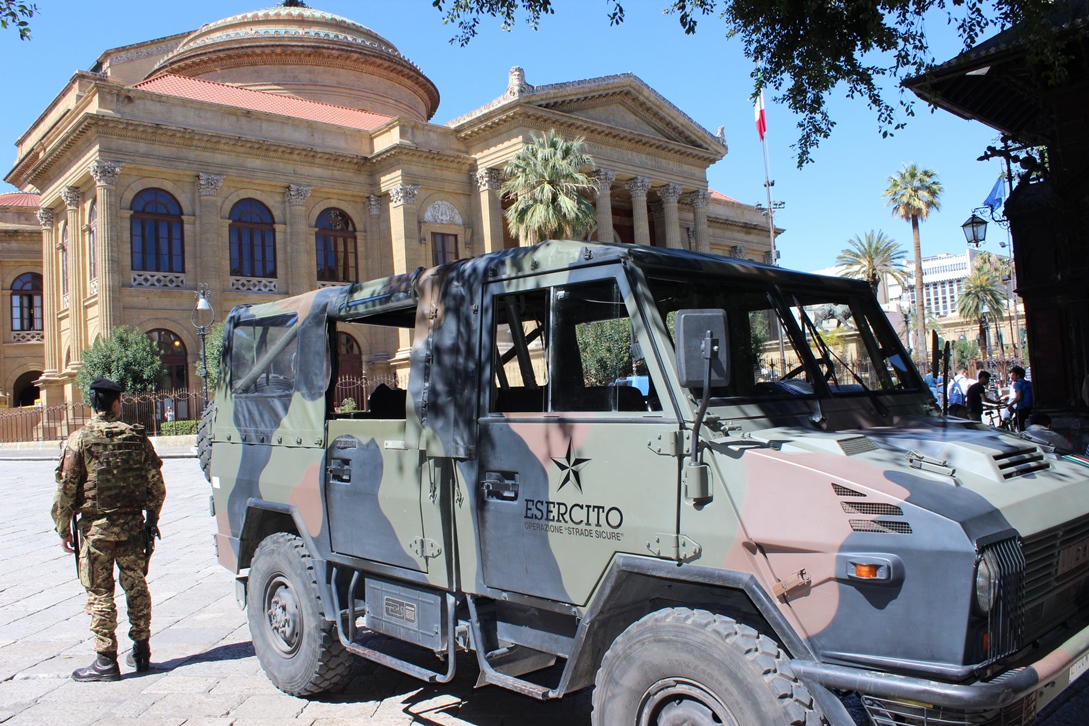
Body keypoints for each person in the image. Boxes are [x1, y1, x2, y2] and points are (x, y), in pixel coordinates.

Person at [51, 378, 166, 682]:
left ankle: (105, 661)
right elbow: (157, 487)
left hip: (96, 531)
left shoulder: (79, 439)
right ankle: (141, 651)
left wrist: (63, 528)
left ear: (93, 403)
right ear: (117, 403)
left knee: (100, 593)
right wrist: (152, 520)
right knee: (137, 587)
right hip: (132, 528)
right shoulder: (137, 437)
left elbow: (67, 489)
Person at [1007, 365, 1034, 432]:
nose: (1011, 376)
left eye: (1013, 375)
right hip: (1030, 406)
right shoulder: (1028, 383)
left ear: (1018, 375)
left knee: (1021, 427)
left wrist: (1010, 404)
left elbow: (1019, 397)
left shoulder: (1017, 384)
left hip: (1022, 408)